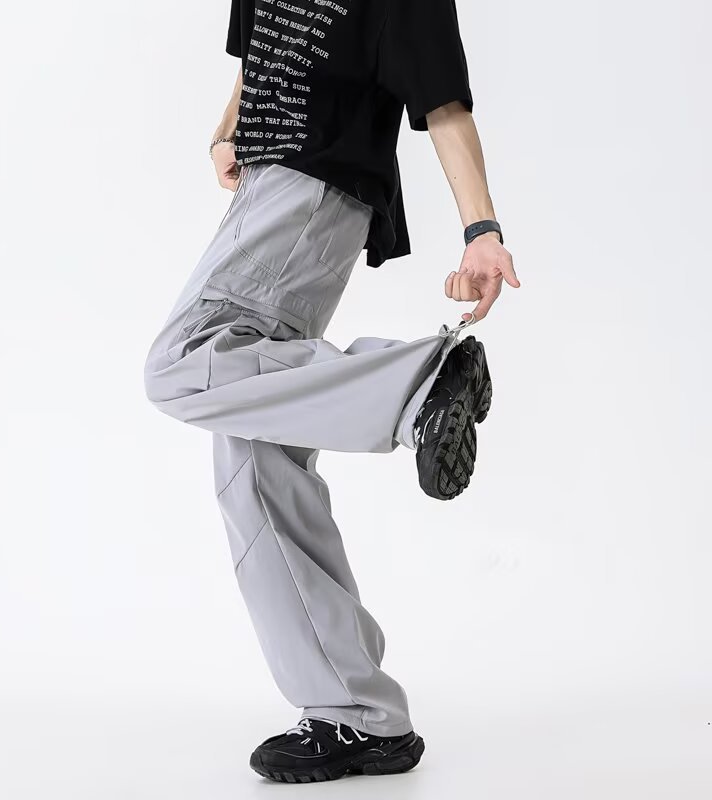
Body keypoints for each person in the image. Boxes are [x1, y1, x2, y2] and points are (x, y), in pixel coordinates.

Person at [143, 0, 519, 783]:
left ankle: (416, 387)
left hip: (312, 189)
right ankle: (360, 716)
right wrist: (228, 129)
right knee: (255, 459)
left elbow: (443, 100)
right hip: (266, 187)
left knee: (182, 360)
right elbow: (256, 51)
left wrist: (480, 230)